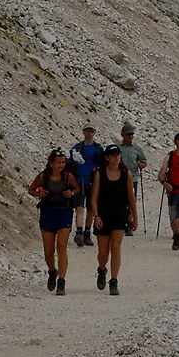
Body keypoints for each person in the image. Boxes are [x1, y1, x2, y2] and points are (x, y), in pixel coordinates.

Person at [26, 149, 82, 296]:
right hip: (48, 212)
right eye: (58, 162)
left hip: (64, 212)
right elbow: (30, 190)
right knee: (48, 250)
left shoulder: (68, 176)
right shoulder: (43, 177)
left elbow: (77, 189)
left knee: (61, 246)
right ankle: (52, 271)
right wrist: (39, 193)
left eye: (63, 162)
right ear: (51, 163)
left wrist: (71, 193)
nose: (61, 165)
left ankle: (62, 281)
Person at [88, 142, 138, 294]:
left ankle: (114, 280)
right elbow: (94, 198)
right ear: (107, 157)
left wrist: (134, 216)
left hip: (119, 215)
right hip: (103, 216)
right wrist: (96, 216)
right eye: (113, 155)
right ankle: (102, 269)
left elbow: (131, 197)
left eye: (118, 155)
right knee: (103, 253)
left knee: (116, 248)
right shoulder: (100, 174)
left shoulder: (126, 174)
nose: (116, 157)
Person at [68, 124, 104, 245]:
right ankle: (80, 232)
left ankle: (86, 232)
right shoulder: (77, 147)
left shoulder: (98, 148)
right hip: (80, 180)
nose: (89, 133)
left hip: (92, 180)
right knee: (80, 207)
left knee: (90, 208)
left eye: (91, 131)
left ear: (94, 133)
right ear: (84, 132)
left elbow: (103, 164)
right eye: (87, 131)